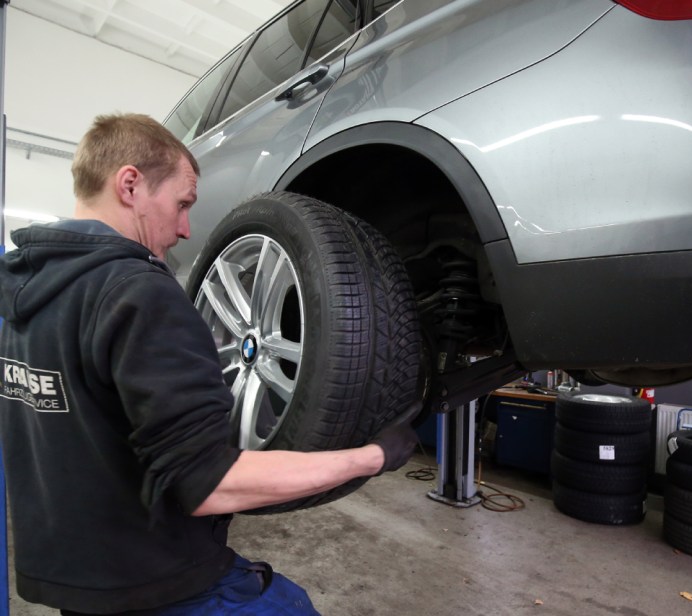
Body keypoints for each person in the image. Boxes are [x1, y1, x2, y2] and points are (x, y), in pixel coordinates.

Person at [0, 113, 419, 615]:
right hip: (163, 586)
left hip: (75, 587)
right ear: (130, 184)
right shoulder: (138, 292)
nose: (184, 229)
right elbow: (210, 483)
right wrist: (374, 456)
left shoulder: (17, 297)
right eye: (182, 204)